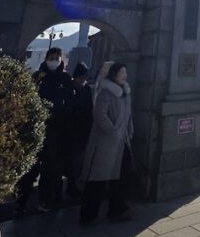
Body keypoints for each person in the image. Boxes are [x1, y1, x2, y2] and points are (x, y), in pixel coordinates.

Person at [79, 62, 134, 224]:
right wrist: (112, 130)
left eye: (125, 73)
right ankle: (89, 215)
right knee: (97, 180)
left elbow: (129, 115)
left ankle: (118, 208)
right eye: (121, 73)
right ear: (113, 74)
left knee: (122, 176)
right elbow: (100, 115)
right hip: (105, 144)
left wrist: (129, 130)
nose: (124, 75)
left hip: (121, 142)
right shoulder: (105, 93)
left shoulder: (125, 92)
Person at [36, 47, 76, 210]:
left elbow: (71, 102)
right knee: (38, 168)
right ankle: (28, 200)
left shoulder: (66, 78)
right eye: (51, 57)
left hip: (60, 129)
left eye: (57, 57)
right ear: (46, 58)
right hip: (40, 127)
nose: (54, 60)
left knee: (56, 166)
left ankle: (53, 197)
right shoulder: (39, 77)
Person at [65, 62, 94, 196]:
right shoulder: (68, 88)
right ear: (76, 76)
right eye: (81, 76)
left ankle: (75, 186)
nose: (83, 79)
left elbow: (90, 109)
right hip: (69, 131)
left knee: (79, 162)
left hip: (83, 132)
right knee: (69, 162)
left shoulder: (87, 89)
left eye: (85, 77)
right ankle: (68, 187)